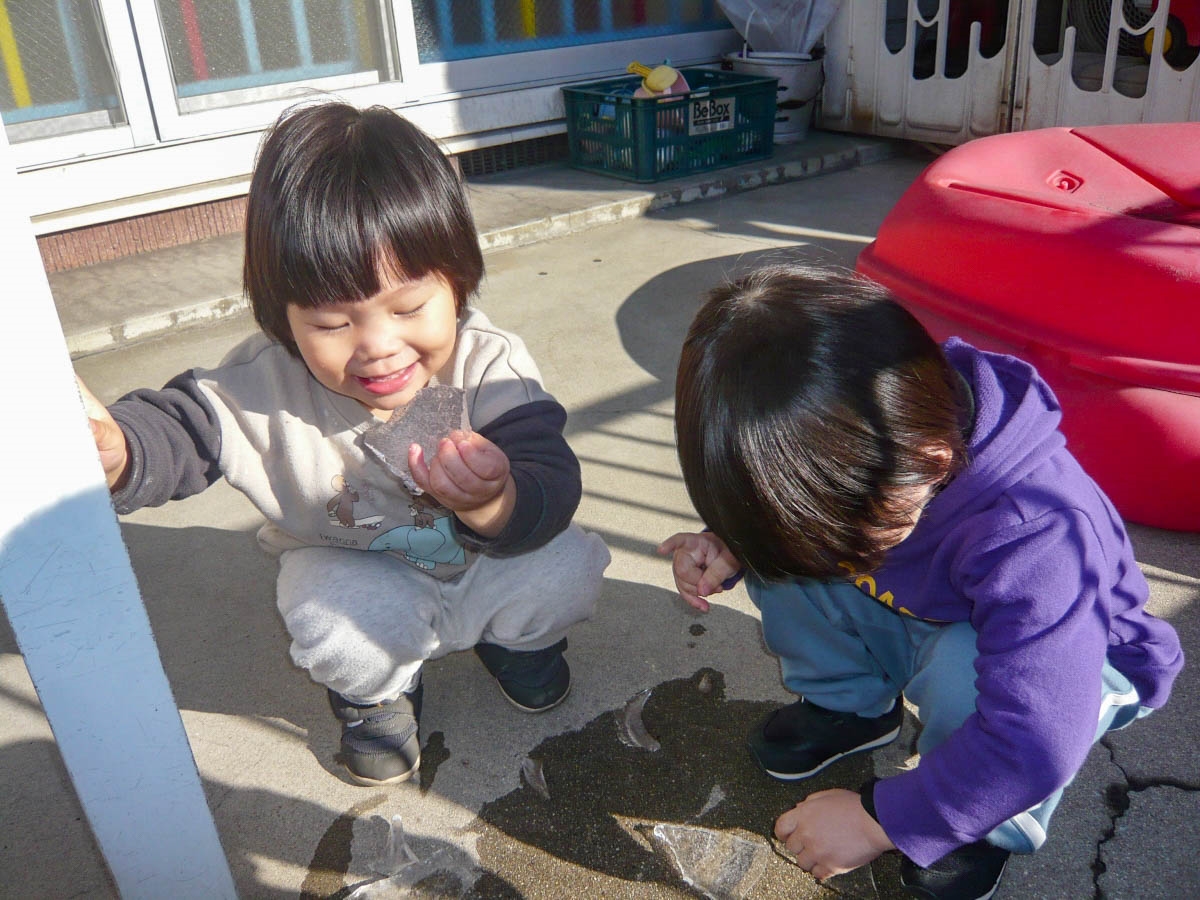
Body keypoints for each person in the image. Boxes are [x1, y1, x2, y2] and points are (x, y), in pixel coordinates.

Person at [78, 100, 610, 787]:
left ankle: (517, 643)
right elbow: (175, 429)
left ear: (459, 283)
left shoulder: (487, 367)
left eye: (410, 307)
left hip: (484, 564)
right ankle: (377, 696)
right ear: (282, 318)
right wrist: (120, 452)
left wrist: (497, 500)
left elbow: (550, 477)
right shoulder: (258, 385)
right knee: (324, 605)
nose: (379, 347)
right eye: (331, 322)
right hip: (362, 574)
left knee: (568, 561)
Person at [658, 264, 1182, 899]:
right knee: (789, 564)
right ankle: (850, 706)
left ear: (928, 465)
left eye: (838, 526)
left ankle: (981, 822)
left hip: (1072, 668)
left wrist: (884, 818)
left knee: (968, 673)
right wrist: (734, 541)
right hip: (923, 602)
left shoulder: (1038, 529)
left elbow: (1039, 735)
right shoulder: (886, 454)